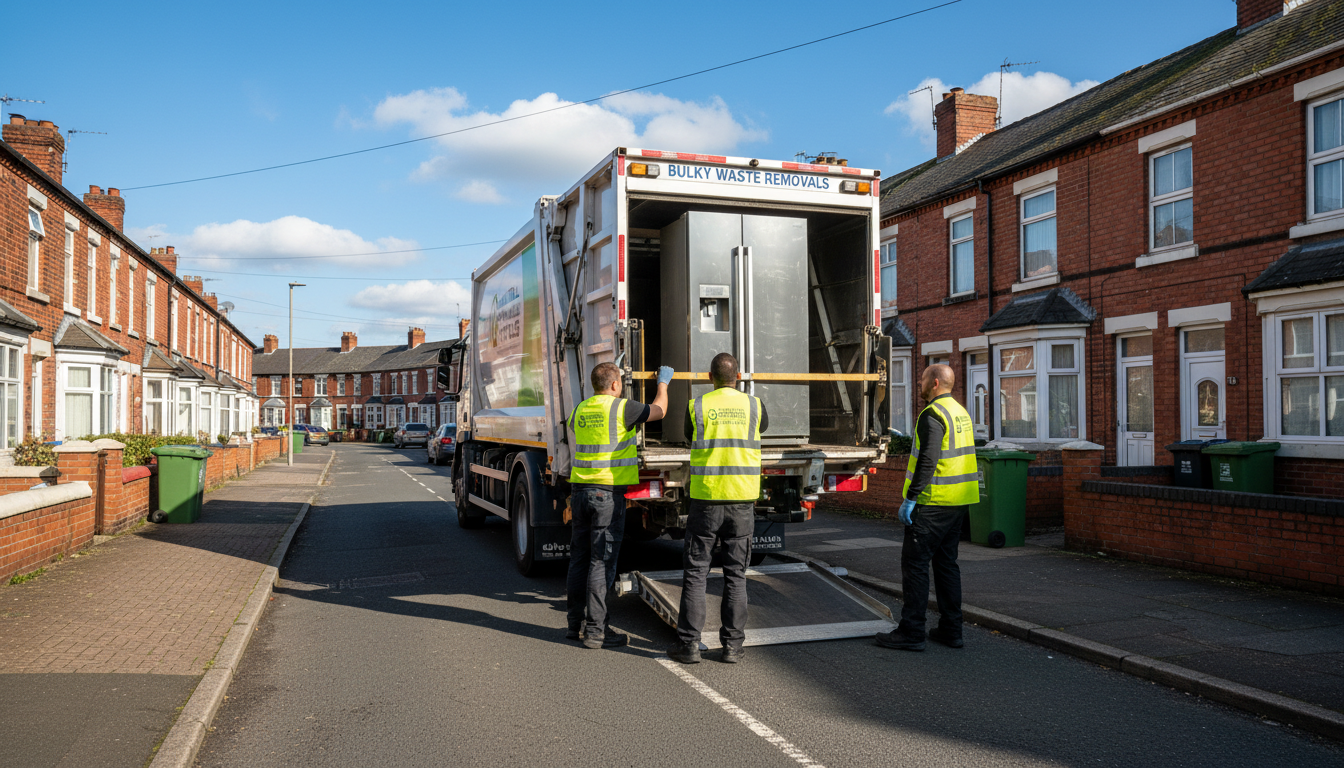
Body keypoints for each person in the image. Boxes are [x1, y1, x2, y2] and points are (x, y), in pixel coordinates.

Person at [667, 352, 768, 665]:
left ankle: (689, 646)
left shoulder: (697, 406)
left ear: (710, 377)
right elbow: (763, 427)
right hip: (741, 502)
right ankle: (733, 647)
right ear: (737, 377)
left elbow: (688, 436)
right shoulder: (754, 405)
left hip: (706, 501)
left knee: (696, 574)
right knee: (736, 575)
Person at [567, 361, 674, 649]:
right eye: (621, 384)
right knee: (601, 562)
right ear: (615, 385)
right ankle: (596, 631)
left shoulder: (579, 410)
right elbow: (660, 410)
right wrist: (663, 383)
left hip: (579, 492)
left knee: (579, 557)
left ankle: (573, 624)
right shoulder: (621, 408)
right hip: (606, 495)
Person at [876, 363, 979, 652]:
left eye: (921, 379)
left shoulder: (932, 414)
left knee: (915, 566)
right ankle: (951, 629)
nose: (919, 383)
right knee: (947, 566)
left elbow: (928, 459)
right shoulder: (960, 412)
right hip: (958, 501)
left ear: (934, 383)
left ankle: (911, 631)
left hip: (932, 502)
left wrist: (911, 497)